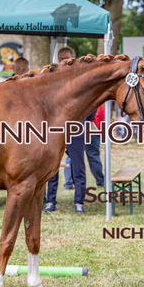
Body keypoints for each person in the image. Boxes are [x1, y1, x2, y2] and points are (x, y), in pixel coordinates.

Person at [45, 46, 88, 214]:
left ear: (73, 59)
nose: (63, 61)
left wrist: (83, 119)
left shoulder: (81, 79)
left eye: (66, 58)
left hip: (75, 127)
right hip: (55, 128)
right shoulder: (52, 78)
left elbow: (89, 102)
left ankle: (79, 203)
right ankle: (50, 202)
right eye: (61, 58)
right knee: (51, 166)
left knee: (78, 166)